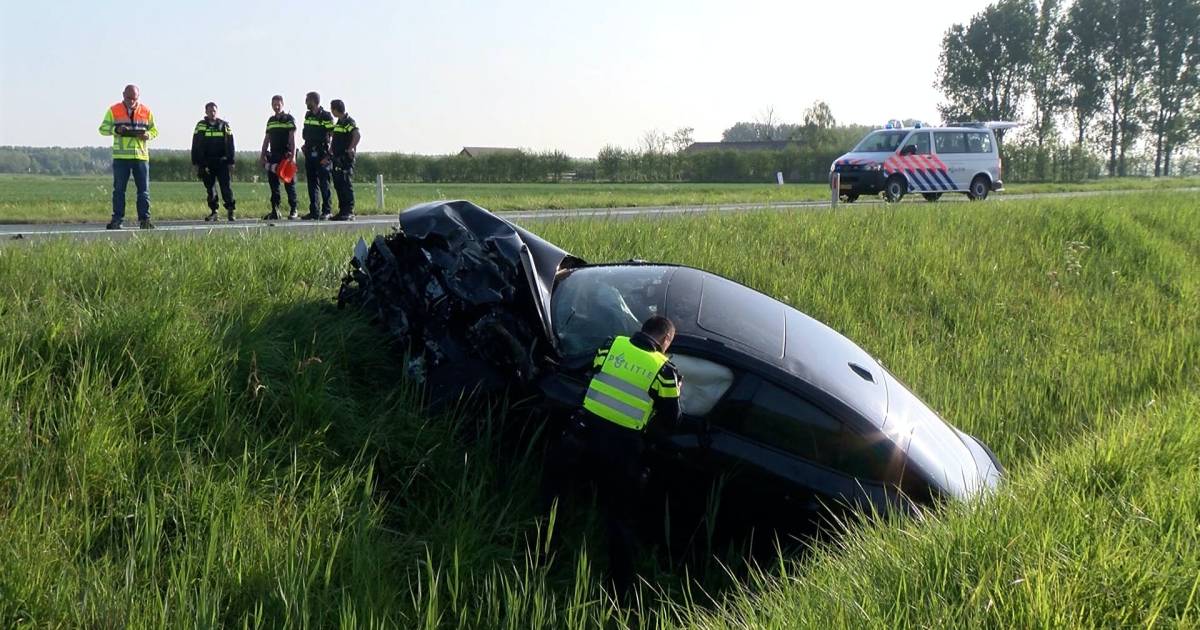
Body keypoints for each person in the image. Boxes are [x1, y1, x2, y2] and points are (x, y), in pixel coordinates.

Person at [541, 316, 685, 600]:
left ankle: (541, 561)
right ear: (666, 340)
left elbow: (595, 373)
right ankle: (619, 594)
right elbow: (673, 421)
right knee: (619, 521)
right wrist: (677, 391)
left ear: (644, 329)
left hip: (581, 438)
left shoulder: (612, 346)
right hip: (620, 451)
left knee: (556, 502)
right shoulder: (665, 371)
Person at [98, 84, 158, 230]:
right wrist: (116, 130)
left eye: (134, 98)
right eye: (128, 97)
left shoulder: (146, 111)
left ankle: (145, 220)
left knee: (143, 191)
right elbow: (102, 129)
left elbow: (155, 130)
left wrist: (148, 135)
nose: (131, 101)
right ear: (123, 95)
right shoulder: (114, 110)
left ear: (138, 97)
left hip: (140, 156)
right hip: (121, 157)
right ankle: (117, 219)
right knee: (119, 190)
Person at [191, 102, 237, 221]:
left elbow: (230, 144)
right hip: (206, 163)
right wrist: (195, 162)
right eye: (210, 111)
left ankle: (231, 211)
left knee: (225, 187)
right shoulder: (201, 125)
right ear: (206, 112)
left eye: (214, 111)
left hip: (222, 162)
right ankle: (214, 212)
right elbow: (195, 144)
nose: (212, 113)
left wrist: (231, 161)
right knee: (210, 189)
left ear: (217, 111)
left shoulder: (224, 125)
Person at [260, 95, 299, 220]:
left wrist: (293, 156)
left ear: (282, 104)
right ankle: (275, 210)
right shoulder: (270, 121)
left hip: (286, 155)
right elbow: (267, 139)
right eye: (274, 104)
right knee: (274, 185)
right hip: (273, 155)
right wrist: (262, 154)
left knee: (289, 183)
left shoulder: (289, 119)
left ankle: (294, 209)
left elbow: (293, 138)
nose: (276, 107)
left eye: (278, 104)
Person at [300, 91, 334, 220]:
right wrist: (305, 145)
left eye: (307, 100)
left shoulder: (326, 116)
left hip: (322, 153)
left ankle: (327, 211)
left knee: (324, 183)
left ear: (314, 101)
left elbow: (332, 136)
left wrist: (329, 155)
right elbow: (307, 133)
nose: (305, 102)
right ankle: (314, 211)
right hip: (309, 153)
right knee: (312, 183)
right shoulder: (308, 115)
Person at [328, 99, 361, 221]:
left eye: (332, 109)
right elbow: (335, 140)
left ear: (336, 109)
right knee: (338, 184)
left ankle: (349, 211)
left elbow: (357, 135)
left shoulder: (348, 121)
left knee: (346, 184)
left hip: (345, 159)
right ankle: (342, 211)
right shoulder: (338, 123)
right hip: (337, 159)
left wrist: (350, 149)